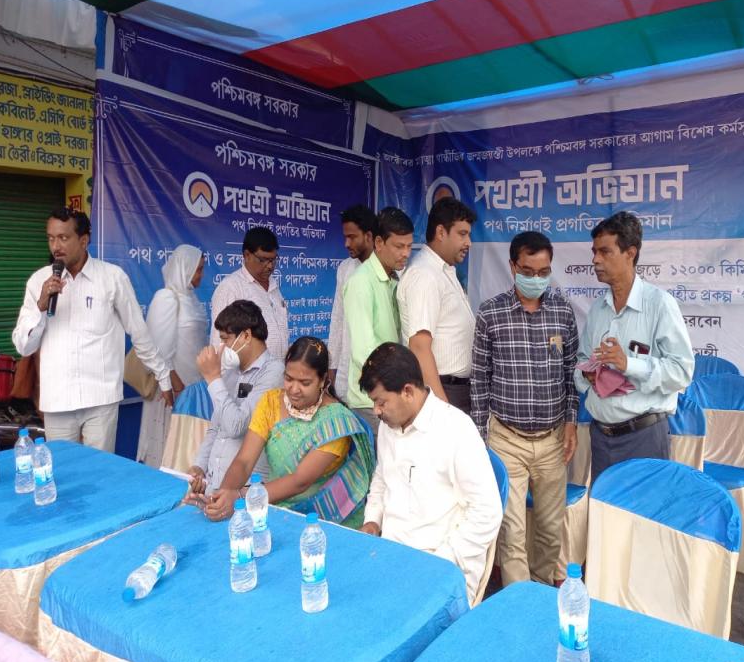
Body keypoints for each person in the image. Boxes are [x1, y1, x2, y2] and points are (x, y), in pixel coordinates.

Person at [12, 208, 173, 452]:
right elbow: (24, 346)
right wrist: (41, 307)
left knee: (99, 469)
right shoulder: (38, 282)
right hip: (58, 400)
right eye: (51, 238)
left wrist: (163, 376)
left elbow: (138, 332)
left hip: (101, 398)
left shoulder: (112, 278)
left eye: (63, 238)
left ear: (84, 240)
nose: (56, 246)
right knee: (63, 469)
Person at [470, 230, 579, 587]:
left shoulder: (562, 312)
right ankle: (518, 602)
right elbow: (480, 380)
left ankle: (541, 592)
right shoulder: (491, 314)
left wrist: (571, 422)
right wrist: (481, 440)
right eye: (529, 271)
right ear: (513, 267)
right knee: (512, 533)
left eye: (543, 272)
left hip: (551, 441)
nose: (536, 279)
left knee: (550, 530)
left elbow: (571, 374)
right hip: (506, 440)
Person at [360, 343, 502, 606]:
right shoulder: (390, 426)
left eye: (381, 402)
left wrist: (440, 561)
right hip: (392, 557)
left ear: (407, 392)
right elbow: (381, 478)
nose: (376, 411)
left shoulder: (455, 429)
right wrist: (372, 521)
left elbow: (487, 512)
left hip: (443, 569)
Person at [201, 336, 375, 527]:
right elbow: (244, 461)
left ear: (323, 380)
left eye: (305, 383)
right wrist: (223, 496)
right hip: (275, 508)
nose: (294, 389)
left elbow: (299, 481)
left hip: (325, 521)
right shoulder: (271, 402)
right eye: (288, 379)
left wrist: (239, 496)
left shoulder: (336, 422)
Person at [575, 211, 694, 481]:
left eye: (605, 252)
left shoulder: (660, 304)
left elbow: (682, 371)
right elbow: (582, 359)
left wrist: (628, 364)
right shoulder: (598, 309)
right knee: (605, 509)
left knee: (644, 509)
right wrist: (587, 374)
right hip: (601, 437)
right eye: (594, 252)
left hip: (644, 438)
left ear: (630, 253)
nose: (595, 260)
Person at [188, 300, 284, 494]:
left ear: (246, 335)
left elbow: (236, 427)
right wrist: (199, 467)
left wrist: (213, 378)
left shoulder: (274, 371)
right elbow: (216, 427)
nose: (222, 347)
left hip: (246, 491)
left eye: (226, 340)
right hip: (213, 484)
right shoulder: (230, 372)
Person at [397, 197, 476, 413]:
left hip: (454, 390)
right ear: (441, 232)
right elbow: (419, 346)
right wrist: (443, 410)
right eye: (462, 234)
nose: (468, 242)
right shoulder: (425, 275)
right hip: (442, 391)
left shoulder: (443, 271)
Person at [344, 206, 414, 434]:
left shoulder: (394, 278)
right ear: (379, 243)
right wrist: (390, 391)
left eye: (409, 246)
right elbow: (363, 352)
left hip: (390, 395)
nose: (406, 253)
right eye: (399, 246)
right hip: (371, 400)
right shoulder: (361, 282)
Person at [136, 245, 208, 468]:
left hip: (192, 386)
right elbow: (156, 348)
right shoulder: (166, 298)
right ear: (184, 268)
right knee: (167, 443)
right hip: (170, 388)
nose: (201, 275)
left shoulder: (191, 299)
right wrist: (174, 383)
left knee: (188, 447)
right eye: (198, 269)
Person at [209, 227, 288, 359]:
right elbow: (219, 343)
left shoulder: (274, 287)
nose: (270, 266)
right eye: (263, 260)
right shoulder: (231, 288)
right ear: (247, 255)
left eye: (273, 260)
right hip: (249, 372)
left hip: (278, 369)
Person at [327, 205, 377, 401]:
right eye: (345, 237)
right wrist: (332, 366)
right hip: (346, 369)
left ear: (369, 236)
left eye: (352, 237)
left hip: (378, 371)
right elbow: (337, 318)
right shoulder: (345, 269)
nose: (347, 243)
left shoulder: (389, 269)